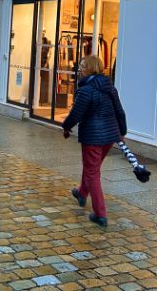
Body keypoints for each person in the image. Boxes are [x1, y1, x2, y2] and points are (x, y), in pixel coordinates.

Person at [62, 55, 127, 227]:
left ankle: (100, 214)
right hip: (110, 136)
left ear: (91, 69)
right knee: (92, 167)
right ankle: (82, 193)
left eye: (83, 66)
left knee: (92, 172)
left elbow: (76, 114)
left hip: (93, 137)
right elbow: (120, 112)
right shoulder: (109, 87)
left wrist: (66, 127)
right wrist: (122, 132)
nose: (79, 69)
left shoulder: (86, 90)